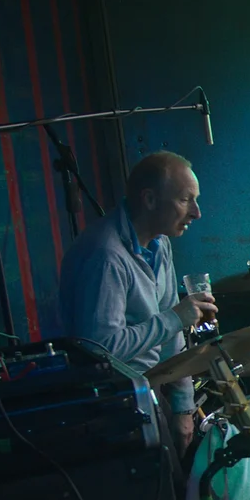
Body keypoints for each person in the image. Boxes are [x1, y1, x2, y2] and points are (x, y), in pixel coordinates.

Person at [59, 151, 216, 451]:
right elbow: (99, 348)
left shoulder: (160, 242)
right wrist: (175, 318)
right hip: (115, 410)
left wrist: (184, 406)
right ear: (150, 200)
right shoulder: (106, 257)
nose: (197, 212)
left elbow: (172, 334)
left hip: (150, 391)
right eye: (186, 200)